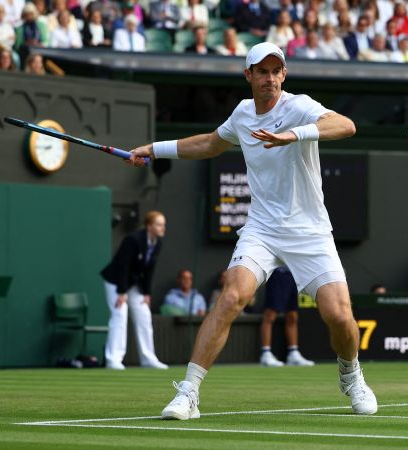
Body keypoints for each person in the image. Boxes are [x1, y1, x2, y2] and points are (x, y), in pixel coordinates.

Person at [128, 42, 376, 418]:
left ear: (284, 75)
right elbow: (210, 144)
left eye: (277, 71)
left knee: (339, 315)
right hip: (262, 226)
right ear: (249, 76)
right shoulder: (243, 114)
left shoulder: (298, 106)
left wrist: (294, 135)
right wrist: (154, 148)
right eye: (263, 71)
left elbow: (346, 125)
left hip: (309, 230)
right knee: (231, 297)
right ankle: (189, 393)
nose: (271, 78)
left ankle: (351, 375)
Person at [100, 211, 169, 370]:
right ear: (149, 226)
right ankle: (113, 359)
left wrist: (146, 293)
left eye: (163, 224)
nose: (163, 227)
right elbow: (122, 265)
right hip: (116, 281)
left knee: (144, 315)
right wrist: (122, 291)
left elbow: (149, 269)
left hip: (134, 284)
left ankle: (148, 358)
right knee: (120, 314)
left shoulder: (158, 243)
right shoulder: (133, 240)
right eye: (159, 224)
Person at [259, 266, 316, 366]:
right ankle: (265, 353)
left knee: (292, 316)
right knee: (270, 315)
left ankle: (293, 354)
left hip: (293, 274)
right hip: (276, 273)